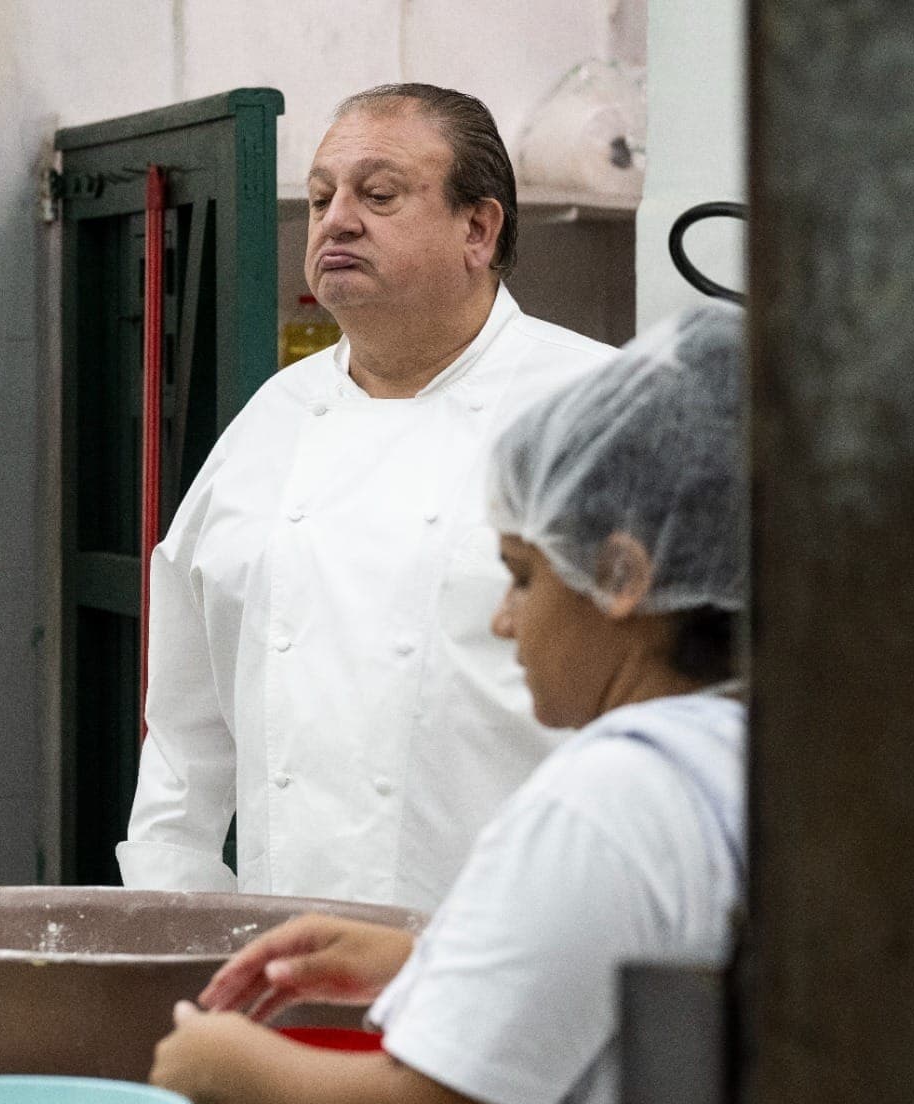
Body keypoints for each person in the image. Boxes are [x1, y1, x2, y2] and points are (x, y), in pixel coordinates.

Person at [151, 304, 748, 1104]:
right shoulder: (736, 758)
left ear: (624, 577)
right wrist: (432, 960)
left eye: (521, 577)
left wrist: (220, 1061)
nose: (504, 621)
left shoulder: (603, 798)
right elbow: (652, 1011)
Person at [118, 84, 615, 912]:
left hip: (524, 940)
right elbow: (183, 725)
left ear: (478, 229)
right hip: (287, 945)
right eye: (321, 198)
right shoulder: (272, 419)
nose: (337, 221)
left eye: (378, 195)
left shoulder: (600, 411)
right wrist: (178, 913)